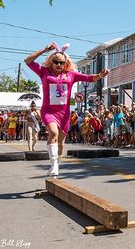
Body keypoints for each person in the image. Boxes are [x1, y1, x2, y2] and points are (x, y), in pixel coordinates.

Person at [25, 42, 108, 177]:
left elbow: (88, 78)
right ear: (51, 61)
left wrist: (100, 75)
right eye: (56, 62)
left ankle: (57, 164)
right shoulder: (43, 71)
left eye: (62, 63)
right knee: (53, 133)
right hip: (48, 111)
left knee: (61, 144)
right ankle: (53, 166)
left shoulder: (71, 75)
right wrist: (44, 50)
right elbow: (28, 61)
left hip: (64, 114)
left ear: (66, 63)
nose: (59, 65)